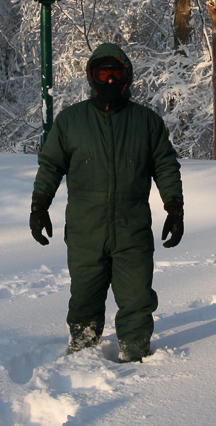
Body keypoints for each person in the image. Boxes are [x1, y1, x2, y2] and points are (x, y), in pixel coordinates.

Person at [29, 43, 184, 362]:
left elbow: (165, 165)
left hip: (132, 230)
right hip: (86, 232)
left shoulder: (147, 122)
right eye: (103, 73)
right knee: (84, 297)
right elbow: (51, 165)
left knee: (137, 298)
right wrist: (39, 206)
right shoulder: (71, 121)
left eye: (116, 73)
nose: (110, 80)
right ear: (92, 77)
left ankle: (136, 352)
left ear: (127, 76)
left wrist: (174, 207)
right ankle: (82, 352)